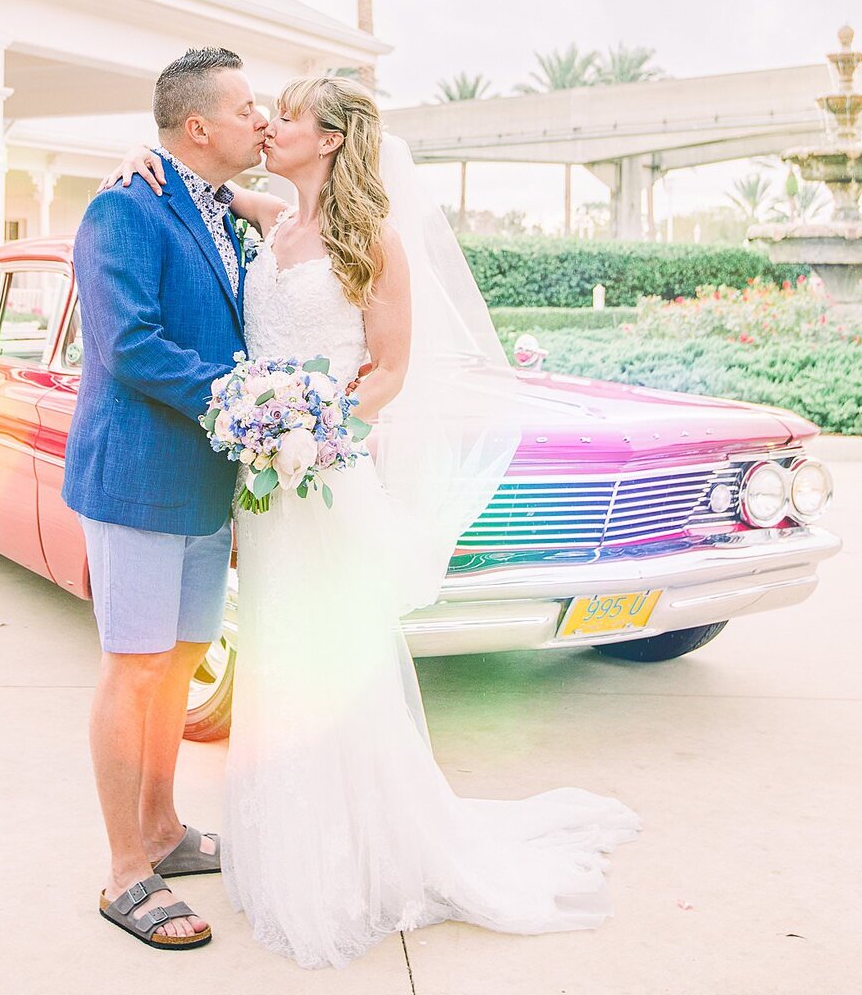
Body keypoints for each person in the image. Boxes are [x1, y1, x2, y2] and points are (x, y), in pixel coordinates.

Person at [105, 73, 639, 969]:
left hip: (323, 478)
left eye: (291, 115)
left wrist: (314, 434)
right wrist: (135, 159)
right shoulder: (270, 219)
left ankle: (360, 856)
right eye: (263, 110)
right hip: (266, 490)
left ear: (334, 139)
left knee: (333, 664)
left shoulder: (373, 240)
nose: (271, 123)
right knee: (277, 661)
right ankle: (287, 845)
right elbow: (183, 176)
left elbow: (388, 370)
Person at [63, 47, 269, 950]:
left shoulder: (221, 209)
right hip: (138, 476)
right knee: (136, 665)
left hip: (202, 484)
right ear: (198, 128)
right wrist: (241, 407)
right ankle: (124, 874)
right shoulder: (123, 206)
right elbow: (130, 346)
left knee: (181, 662)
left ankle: (164, 829)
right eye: (247, 108)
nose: (261, 121)